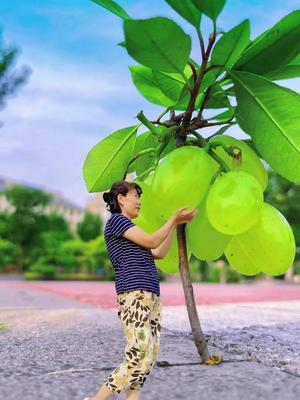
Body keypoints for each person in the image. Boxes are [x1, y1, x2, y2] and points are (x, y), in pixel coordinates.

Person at [83, 180, 197, 400]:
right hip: (133, 294)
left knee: (149, 355)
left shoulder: (132, 233)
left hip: (150, 294)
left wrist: (175, 226)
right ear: (121, 199)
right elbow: (153, 240)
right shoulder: (117, 222)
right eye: (135, 196)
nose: (139, 201)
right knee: (138, 353)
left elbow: (160, 252)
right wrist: (172, 218)